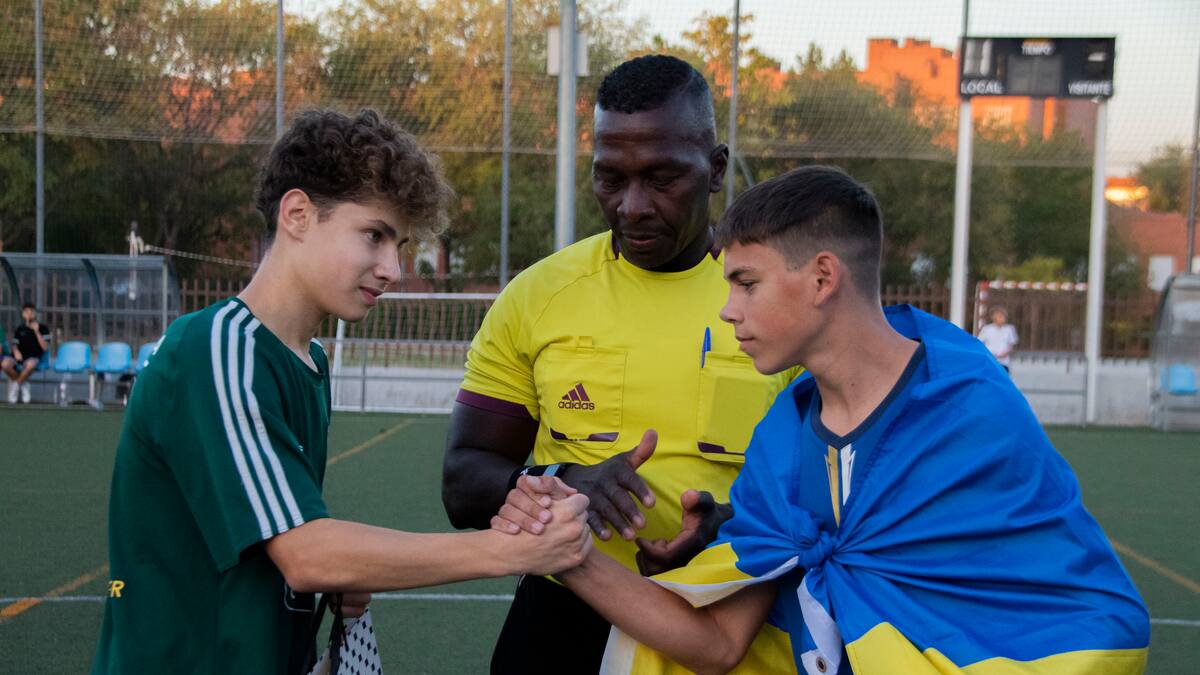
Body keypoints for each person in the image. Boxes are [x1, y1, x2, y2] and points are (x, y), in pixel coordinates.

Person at [523, 166, 1149, 674]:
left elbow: (1069, 612)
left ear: (823, 277)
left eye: (746, 283)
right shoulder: (782, 440)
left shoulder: (969, 409)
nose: (727, 311)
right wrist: (571, 553)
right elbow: (716, 644)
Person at [91, 109, 592, 675]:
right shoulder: (216, 350)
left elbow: (286, 553)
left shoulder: (309, 359)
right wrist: (510, 550)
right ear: (298, 214)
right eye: (374, 236)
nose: (393, 268)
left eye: (399, 243)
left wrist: (342, 581)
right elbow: (306, 554)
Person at [441, 55, 799, 674]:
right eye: (610, 177)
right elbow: (463, 480)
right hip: (564, 615)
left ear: (715, 170)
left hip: (726, 612)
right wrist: (555, 481)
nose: (632, 205)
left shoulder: (779, 302)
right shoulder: (538, 296)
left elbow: (831, 488)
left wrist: (733, 527)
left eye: (662, 178)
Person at [3, 302, 51, 403]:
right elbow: (14, 344)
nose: (29, 314)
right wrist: (16, 351)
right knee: (5, 364)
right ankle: (23, 383)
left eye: (31, 312)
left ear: (35, 313)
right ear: (23, 314)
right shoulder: (20, 328)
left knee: (31, 364)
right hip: (18, 357)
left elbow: (45, 347)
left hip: (32, 357)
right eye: (26, 312)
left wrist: (37, 331)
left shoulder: (43, 328)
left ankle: (15, 386)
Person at [977, 307, 1018, 372]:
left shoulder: (1010, 329)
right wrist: (989, 354)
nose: (1002, 319)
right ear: (994, 318)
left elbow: (1011, 345)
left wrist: (1003, 354)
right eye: (999, 316)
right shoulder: (986, 329)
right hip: (990, 361)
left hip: (1004, 362)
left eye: (1003, 317)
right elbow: (980, 343)